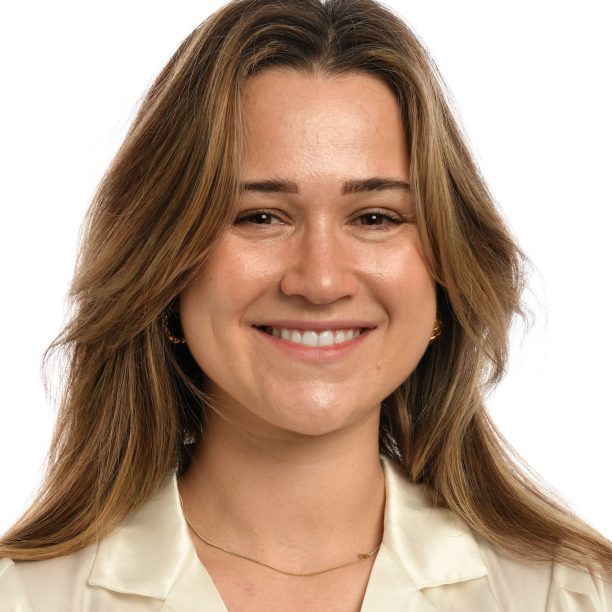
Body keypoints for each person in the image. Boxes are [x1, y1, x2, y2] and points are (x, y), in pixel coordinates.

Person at [1, 0, 611, 610]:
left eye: (375, 217)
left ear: (448, 272)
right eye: (260, 216)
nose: (320, 281)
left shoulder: (568, 594)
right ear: (164, 266)